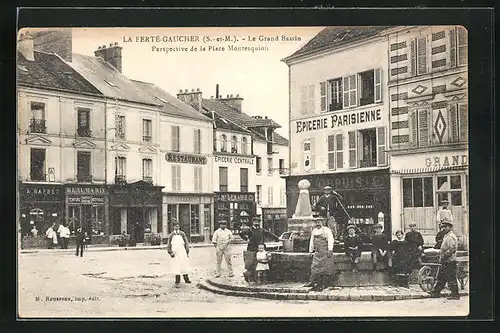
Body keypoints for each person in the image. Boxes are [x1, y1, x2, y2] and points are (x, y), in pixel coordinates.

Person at [240, 217, 279, 281]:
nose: (256, 223)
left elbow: (269, 234)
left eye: (258, 222)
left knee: (261, 262)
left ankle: (259, 277)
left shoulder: (261, 230)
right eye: (255, 222)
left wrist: (276, 238)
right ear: (253, 222)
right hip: (251, 248)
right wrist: (246, 239)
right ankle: (250, 277)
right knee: (251, 263)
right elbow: (241, 234)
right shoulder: (249, 230)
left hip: (260, 248)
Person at [430, 221, 460, 300]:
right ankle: (435, 293)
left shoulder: (451, 236)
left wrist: (443, 256)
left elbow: (451, 249)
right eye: (442, 227)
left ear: (450, 227)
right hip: (445, 261)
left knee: (451, 278)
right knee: (441, 277)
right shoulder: (446, 236)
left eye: (445, 227)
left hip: (450, 261)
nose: (443, 228)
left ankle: (455, 295)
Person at [305, 218, 336, 291]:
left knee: (325, 268)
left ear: (322, 222)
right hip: (317, 252)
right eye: (316, 222)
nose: (317, 224)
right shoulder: (314, 231)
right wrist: (310, 251)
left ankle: (324, 284)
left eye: (319, 222)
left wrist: (330, 249)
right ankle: (312, 282)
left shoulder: (327, 230)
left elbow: (331, 240)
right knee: (314, 267)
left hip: (325, 252)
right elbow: (312, 241)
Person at [166, 222, 191, 287]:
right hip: (175, 253)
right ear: (173, 227)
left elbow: (186, 243)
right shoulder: (171, 235)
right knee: (176, 266)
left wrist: (187, 251)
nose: (176, 228)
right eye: (175, 226)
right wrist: (170, 252)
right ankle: (177, 280)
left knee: (184, 265)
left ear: (179, 227)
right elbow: (169, 244)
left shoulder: (182, 234)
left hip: (182, 252)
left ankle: (186, 279)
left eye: (177, 226)